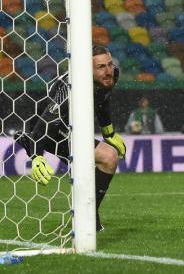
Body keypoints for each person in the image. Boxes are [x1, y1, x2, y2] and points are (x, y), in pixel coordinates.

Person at [14, 45, 125, 232]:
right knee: (108, 158)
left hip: (70, 128)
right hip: (47, 131)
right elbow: (46, 122)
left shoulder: (112, 76)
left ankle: (88, 216)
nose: (108, 71)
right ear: (85, 69)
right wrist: (36, 155)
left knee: (91, 168)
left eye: (109, 64)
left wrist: (109, 133)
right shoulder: (70, 88)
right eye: (101, 67)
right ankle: (87, 217)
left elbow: (103, 101)